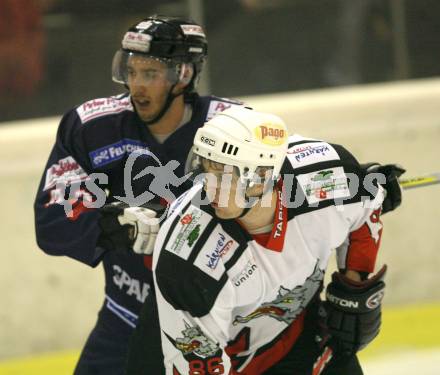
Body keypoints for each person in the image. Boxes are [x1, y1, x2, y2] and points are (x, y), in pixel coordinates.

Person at [34, 15, 243, 375]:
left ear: (184, 76)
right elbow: (52, 217)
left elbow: (271, 215)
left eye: (150, 74)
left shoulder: (234, 130)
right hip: (126, 319)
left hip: (212, 328)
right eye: (131, 72)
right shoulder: (94, 127)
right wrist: (111, 223)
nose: (137, 87)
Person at [147, 106, 395, 374]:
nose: (208, 188)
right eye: (206, 169)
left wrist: (354, 279)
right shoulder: (186, 258)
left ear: (261, 178)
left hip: (304, 339)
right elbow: (200, 362)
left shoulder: (328, 177)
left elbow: (367, 206)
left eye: (223, 175)